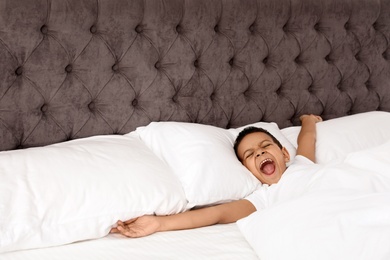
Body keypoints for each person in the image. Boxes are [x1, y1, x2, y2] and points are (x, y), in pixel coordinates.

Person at [110, 114, 323, 238]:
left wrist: (308, 119)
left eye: (266, 146)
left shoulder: (301, 164)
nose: (259, 152)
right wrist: (158, 223)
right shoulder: (262, 198)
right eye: (250, 155)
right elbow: (216, 214)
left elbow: (308, 138)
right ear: (247, 171)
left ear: (285, 153)